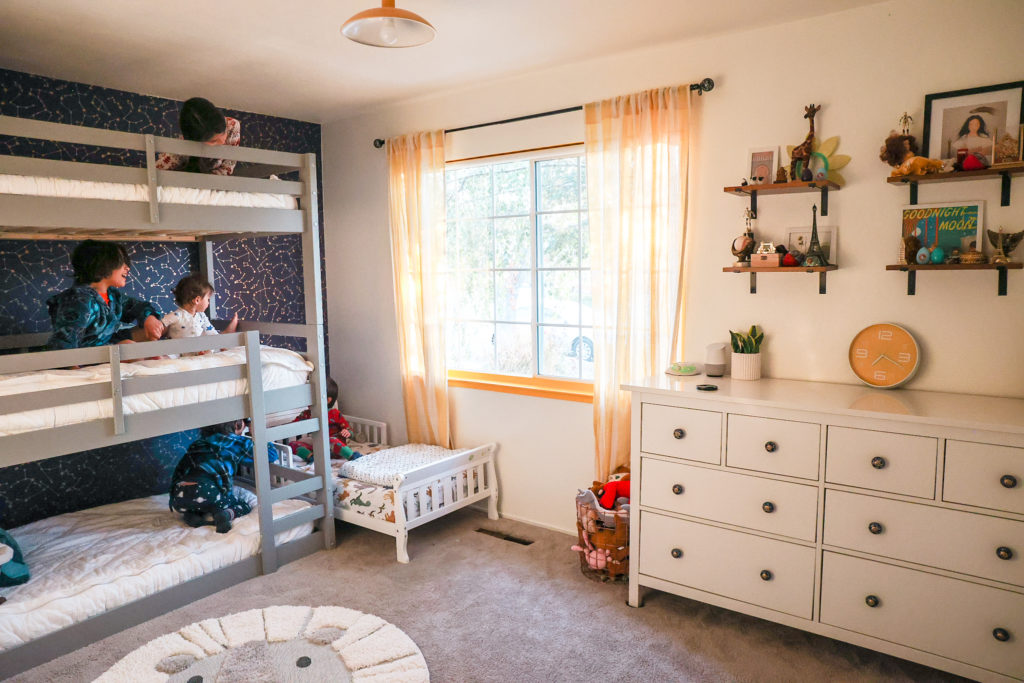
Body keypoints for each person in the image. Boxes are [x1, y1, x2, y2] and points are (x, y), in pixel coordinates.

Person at [46, 240, 164, 350]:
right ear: (102, 265)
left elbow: (138, 306)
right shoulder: (79, 300)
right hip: (86, 358)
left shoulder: (113, 296)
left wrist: (149, 319)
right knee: (129, 347)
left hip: (106, 351)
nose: (127, 268)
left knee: (158, 329)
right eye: (121, 263)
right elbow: (64, 342)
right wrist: (74, 369)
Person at [169, 419, 278, 533]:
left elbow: (181, 470)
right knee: (244, 505)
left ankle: (190, 515)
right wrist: (256, 432)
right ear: (237, 424)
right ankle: (224, 514)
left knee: (199, 500)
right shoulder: (237, 442)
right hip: (208, 492)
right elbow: (271, 455)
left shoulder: (198, 443)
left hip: (179, 496)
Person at [155, 97, 240, 175]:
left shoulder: (232, 126)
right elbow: (157, 172)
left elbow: (227, 169)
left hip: (213, 182)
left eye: (224, 132)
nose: (223, 141)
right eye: (213, 141)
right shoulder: (179, 150)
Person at [288, 377, 363, 462]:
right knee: (292, 444)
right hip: (318, 446)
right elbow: (293, 425)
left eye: (312, 397)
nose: (308, 400)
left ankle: (352, 456)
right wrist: (282, 429)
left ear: (327, 400)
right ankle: (311, 457)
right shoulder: (307, 413)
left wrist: (348, 432)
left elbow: (350, 431)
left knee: (330, 440)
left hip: (334, 449)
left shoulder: (334, 413)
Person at [161, 274, 239, 342]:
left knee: (215, 342)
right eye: (208, 299)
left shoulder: (202, 316)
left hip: (199, 350)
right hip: (179, 352)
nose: (208, 303)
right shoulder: (176, 316)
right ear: (197, 300)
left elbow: (211, 333)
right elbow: (158, 329)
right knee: (168, 355)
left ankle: (226, 335)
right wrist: (157, 330)